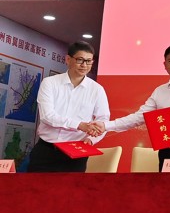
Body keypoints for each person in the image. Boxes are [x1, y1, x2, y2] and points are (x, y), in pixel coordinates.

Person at [93, 44, 170, 171]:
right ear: (165, 65)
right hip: (167, 148)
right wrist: (106, 126)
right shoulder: (159, 91)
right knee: (166, 189)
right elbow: (139, 117)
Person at [28, 41, 109, 172]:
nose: (84, 65)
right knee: (34, 191)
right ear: (68, 59)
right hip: (46, 151)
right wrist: (80, 125)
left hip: (76, 154)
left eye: (89, 61)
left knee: (71, 192)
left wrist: (91, 139)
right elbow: (47, 116)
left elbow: (103, 120)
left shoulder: (97, 90)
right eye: (80, 60)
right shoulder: (50, 83)